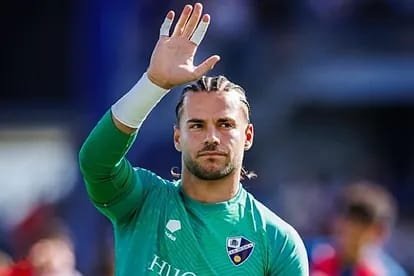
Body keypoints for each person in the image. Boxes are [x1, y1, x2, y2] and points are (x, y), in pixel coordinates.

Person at [79, 3, 308, 275]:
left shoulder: (277, 241)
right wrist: (152, 84)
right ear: (178, 136)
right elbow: (96, 163)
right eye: (197, 125)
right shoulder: (143, 202)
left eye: (225, 124)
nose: (211, 137)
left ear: (247, 136)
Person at [309, 181, 407, 276]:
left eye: (358, 233)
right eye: (345, 229)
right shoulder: (314, 255)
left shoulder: (388, 272)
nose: (349, 237)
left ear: (379, 232)